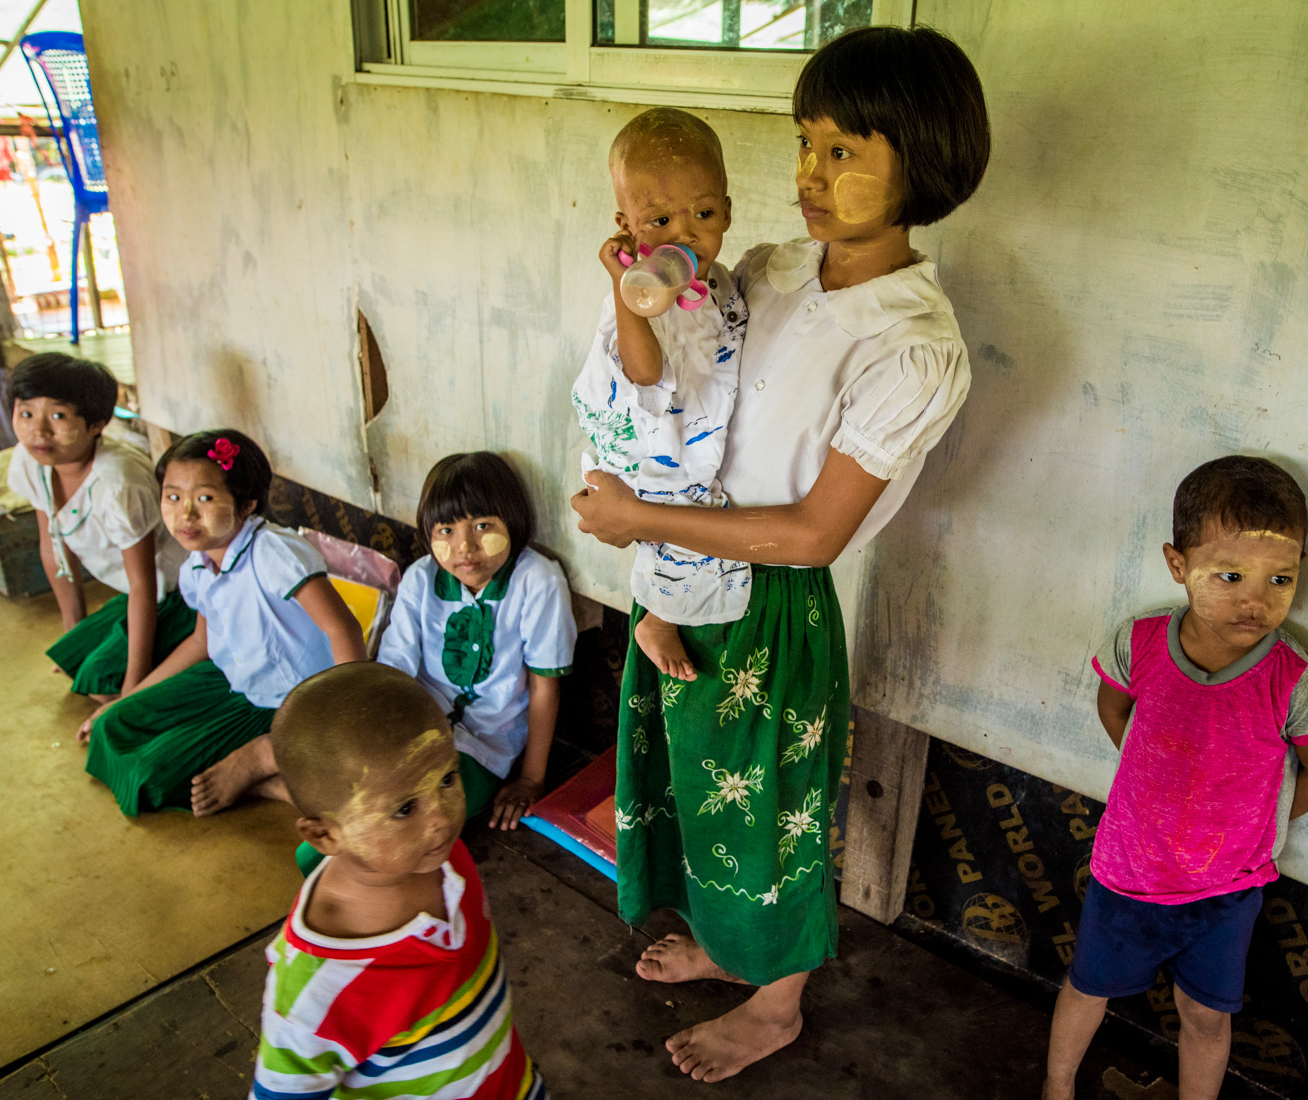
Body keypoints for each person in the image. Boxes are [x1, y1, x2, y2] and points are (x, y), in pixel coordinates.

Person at [572, 25, 990, 1082]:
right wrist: (633, 269)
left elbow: (812, 530)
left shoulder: (913, 341)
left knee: (768, 807)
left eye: (846, 150)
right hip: (680, 572)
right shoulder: (771, 268)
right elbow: (672, 402)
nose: (809, 172)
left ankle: (777, 998)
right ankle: (725, 944)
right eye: (806, 141)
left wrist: (641, 526)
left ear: (923, 161)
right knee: (696, 783)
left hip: (773, 598)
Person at [1042, 456, 1308, 1100]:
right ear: (1178, 566)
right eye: (1231, 575)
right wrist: (1144, 779)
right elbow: (1112, 700)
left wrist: (1254, 823)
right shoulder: (1142, 641)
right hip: (1127, 872)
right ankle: (1056, 1085)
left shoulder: (1295, 680)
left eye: (1280, 579)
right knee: (1087, 985)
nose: (1255, 599)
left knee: (1208, 1017)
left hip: (1224, 892)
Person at [252, 662, 547, 1100]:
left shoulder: (442, 862)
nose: (441, 819)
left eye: (448, 779)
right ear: (324, 835)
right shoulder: (315, 990)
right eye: (404, 809)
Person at [292, 451, 575, 875]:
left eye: (483, 526)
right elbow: (393, 676)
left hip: (482, 749)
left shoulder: (538, 581)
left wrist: (531, 779)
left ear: (513, 523)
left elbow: (544, 686)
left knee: (387, 841)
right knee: (332, 837)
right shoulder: (421, 578)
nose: (465, 547)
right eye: (446, 530)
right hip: (410, 730)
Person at [79, 429, 366, 815]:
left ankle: (260, 764)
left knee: (151, 774)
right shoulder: (197, 563)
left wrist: (343, 720)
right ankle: (278, 782)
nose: (185, 513)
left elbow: (342, 628)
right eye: (173, 497)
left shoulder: (273, 552)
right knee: (111, 726)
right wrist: (125, 698)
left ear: (247, 504)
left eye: (205, 498)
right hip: (231, 682)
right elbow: (200, 643)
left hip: (290, 703)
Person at [571, 106, 749, 682]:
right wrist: (626, 294)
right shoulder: (636, 293)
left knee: (699, 515)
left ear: (727, 209)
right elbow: (643, 373)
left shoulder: (719, 282)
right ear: (626, 227)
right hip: (647, 432)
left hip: (691, 423)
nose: (684, 234)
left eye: (703, 213)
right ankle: (657, 619)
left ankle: (674, 610)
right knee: (672, 514)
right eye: (659, 221)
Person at [5, 353, 191, 701]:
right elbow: (53, 546)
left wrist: (132, 685)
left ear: (97, 423)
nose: (39, 431)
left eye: (58, 416)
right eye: (26, 413)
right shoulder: (31, 462)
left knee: (102, 688)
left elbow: (144, 582)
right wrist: (73, 632)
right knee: (76, 662)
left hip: (180, 594)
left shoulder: (118, 482)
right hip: (136, 593)